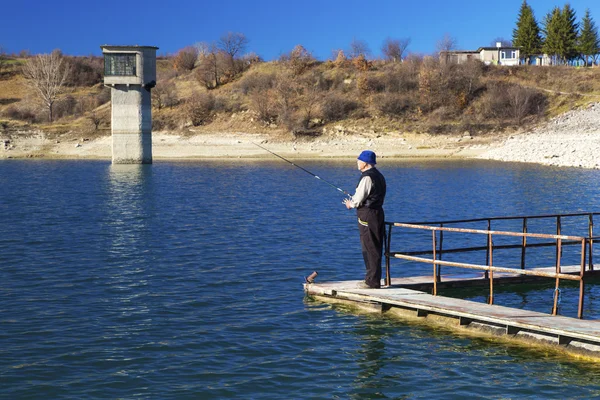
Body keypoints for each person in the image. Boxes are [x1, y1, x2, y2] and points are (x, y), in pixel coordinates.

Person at [343, 150, 387, 289]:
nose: (357, 162)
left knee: (369, 246)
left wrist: (350, 204)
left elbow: (358, 198)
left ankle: (372, 281)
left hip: (367, 215)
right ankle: (372, 279)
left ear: (366, 163)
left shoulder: (367, 177)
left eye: (359, 160)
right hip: (377, 213)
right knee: (375, 245)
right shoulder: (379, 176)